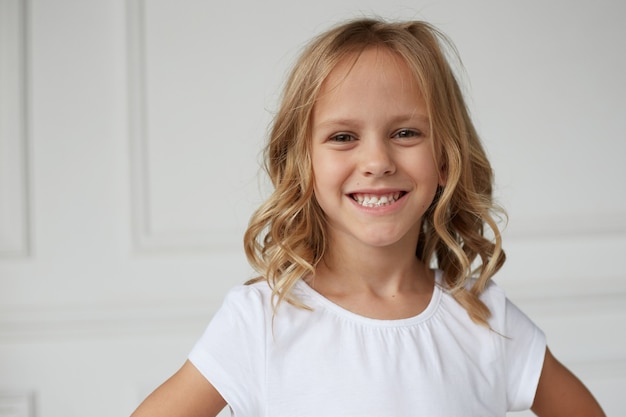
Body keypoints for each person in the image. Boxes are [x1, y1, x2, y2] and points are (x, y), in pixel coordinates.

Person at [130, 18, 605, 417]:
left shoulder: (484, 320)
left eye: (405, 132)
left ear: (445, 158)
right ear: (304, 163)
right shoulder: (261, 321)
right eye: (342, 137)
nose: (377, 161)